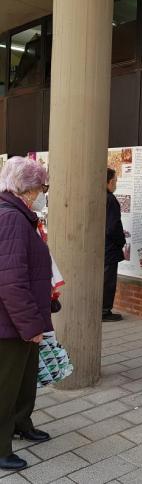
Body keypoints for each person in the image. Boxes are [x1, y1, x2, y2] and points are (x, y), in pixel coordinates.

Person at [0, 157, 53, 471]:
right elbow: (9, 281)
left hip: (21, 317)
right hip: (10, 323)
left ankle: (21, 423)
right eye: (41, 187)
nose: (43, 192)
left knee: (24, 379)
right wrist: (31, 324)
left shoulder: (21, 215)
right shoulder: (11, 218)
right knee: (5, 386)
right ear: (28, 187)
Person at [103, 168, 126, 322]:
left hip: (101, 247)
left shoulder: (100, 197)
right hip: (109, 248)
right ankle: (104, 311)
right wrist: (121, 240)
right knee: (108, 280)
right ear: (109, 182)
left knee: (103, 279)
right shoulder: (110, 199)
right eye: (115, 181)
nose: (116, 184)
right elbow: (112, 227)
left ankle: (102, 308)